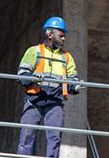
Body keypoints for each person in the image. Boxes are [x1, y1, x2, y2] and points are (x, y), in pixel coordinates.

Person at [16, 16, 82, 157]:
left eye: (64, 36)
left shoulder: (67, 57)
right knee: (27, 136)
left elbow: (72, 79)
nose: (64, 39)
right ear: (50, 34)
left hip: (55, 103)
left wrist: (75, 87)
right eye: (61, 35)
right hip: (34, 100)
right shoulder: (34, 52)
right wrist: (32, 78)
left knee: (54, 139)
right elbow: (22, 75)